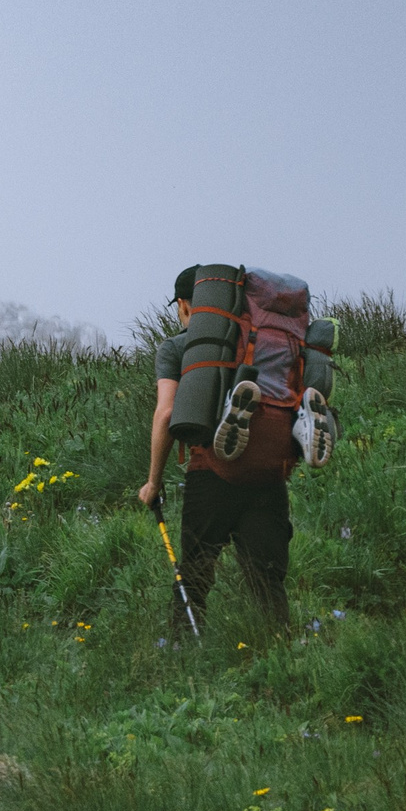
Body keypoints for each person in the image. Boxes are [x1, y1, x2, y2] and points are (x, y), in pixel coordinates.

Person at [141, 267, 294, 631]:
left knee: (194, 574)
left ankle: (181, 652)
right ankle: (281, 653)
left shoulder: (178, 347)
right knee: (268, 579)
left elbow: (165, 415)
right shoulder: (258, 341)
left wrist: (153, 482)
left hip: (210, 472)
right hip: (266, 472)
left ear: (184, 305)